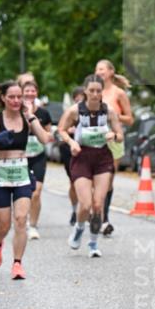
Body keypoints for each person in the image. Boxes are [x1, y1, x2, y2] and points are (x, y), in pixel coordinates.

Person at [0, 81, 52, 280]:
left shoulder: (27, 119)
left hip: (21, 172)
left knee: (20, 220)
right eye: (12, 97)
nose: (16, 100)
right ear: (3, 98)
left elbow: (45, 139)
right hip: (0, 174)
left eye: (19, 97)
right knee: (4, 225)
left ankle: (17, 264)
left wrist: (31, 116)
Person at [57, 74, 125, 258]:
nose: (95, 94)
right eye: (91, 90)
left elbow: (120, 135)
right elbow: (61, 129)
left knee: (97, 205)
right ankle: (79, 229)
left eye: (98, 91)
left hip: (103, 157)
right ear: (85, 91)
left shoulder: (108, 111)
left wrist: (114, 136)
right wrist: (71, 143)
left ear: (102, 91)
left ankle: (93, 243)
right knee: (85, 204)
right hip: (81, 156)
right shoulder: (75, 111)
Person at [94, 60, 134, 237]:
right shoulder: (93, 91)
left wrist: (114, 115)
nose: (99, 72)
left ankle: (104, 218)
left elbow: (130, 119)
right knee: (95, 180)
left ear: (111, 72)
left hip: (114, 140)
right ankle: (96, 213)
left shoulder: (119, 94)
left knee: (108, 179)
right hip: (94, 139)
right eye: (97, 69)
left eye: (102, 69)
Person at [18, 75, 54, 240]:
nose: (30, 93)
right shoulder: (17, 111)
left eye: (33, 90)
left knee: (37, 192)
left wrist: (47, 135)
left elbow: (48, 133)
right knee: (23, 191)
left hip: (38, 155)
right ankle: (21, 219)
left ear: (36, 92)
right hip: (21, 157)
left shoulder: (43, 113)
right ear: (22, 93)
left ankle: (33, 225)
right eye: (27, 91)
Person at [61, 86, 86, 225]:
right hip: (70, 148)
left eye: (82, 98)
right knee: (74, 182)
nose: (80, 101)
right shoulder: (70, 112)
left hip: (89, 148)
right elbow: (61, 130)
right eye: (77, 99)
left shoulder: (94, 111)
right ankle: (74, 210)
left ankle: (88, 209)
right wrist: (70, 130)